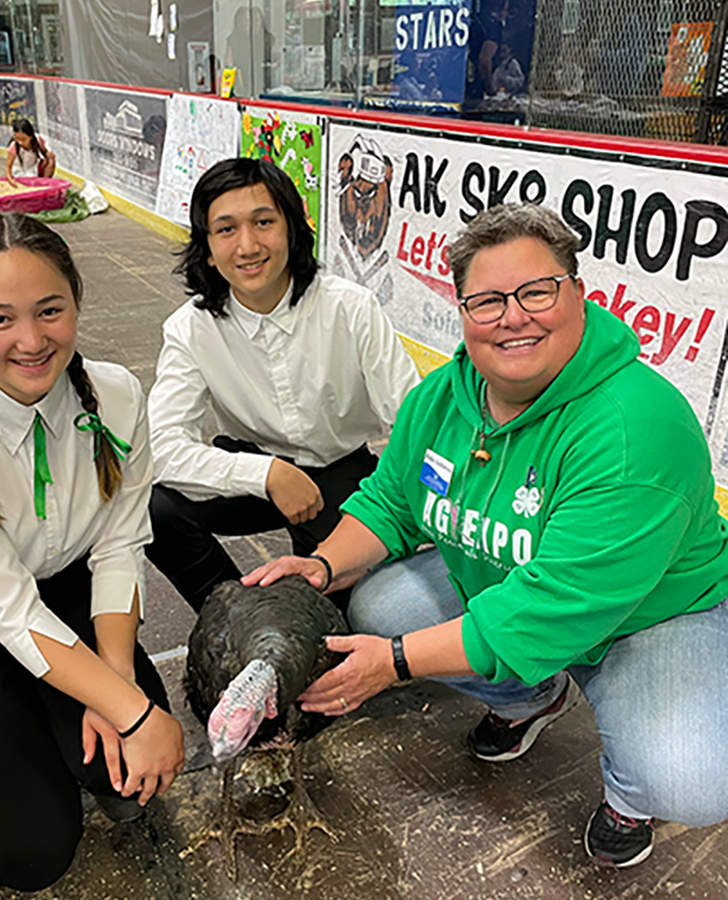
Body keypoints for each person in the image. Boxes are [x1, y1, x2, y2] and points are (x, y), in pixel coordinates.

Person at [244, 203, 728, 869]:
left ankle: (630, 795)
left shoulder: (635, 429)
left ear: (579, 294)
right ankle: (533, 696)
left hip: (648, 617)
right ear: (464, 310)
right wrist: (323, 567)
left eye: (537, 291)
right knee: (383, 605)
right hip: (518, 578)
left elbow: (553, 607)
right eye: (488, 300)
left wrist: (394, 664)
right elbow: (392, 503)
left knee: (690, 778)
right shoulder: (444, 395)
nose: (514, 316)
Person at [0, 212, 185, 891]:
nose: (31, 339)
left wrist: (117, 688)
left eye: (50, 310)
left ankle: (50, 711)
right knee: (29, 855)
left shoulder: (116, 396)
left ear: (76, 301)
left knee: (128, 783)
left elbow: (117, 547)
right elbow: (7, 608)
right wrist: (134, 713)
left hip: (71, 588)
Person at [145, 157, 420, 614]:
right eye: (226, 229)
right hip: (252, 469)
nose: (247, 244)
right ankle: (236, 616)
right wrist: (267, 474)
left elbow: (414, 420)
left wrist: (394, 512)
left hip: (339, 471)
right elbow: (160, 447)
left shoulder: (350, 308)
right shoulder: (190, 329)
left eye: (263, 222)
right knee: (149, 509)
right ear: (208, 249)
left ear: (292, 229)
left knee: (362, 617)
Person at [6, 117, 57, 187]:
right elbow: (8, 166)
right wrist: (10, 179)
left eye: (23, 139)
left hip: (33, 169)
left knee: (50, 161)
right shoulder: (14, 146)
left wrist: (49, 155)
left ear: (31, 136)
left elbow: (46, 152)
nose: (20, 142)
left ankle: (45, 184)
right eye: (17, 138)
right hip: (19, 174)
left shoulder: (38, 140)